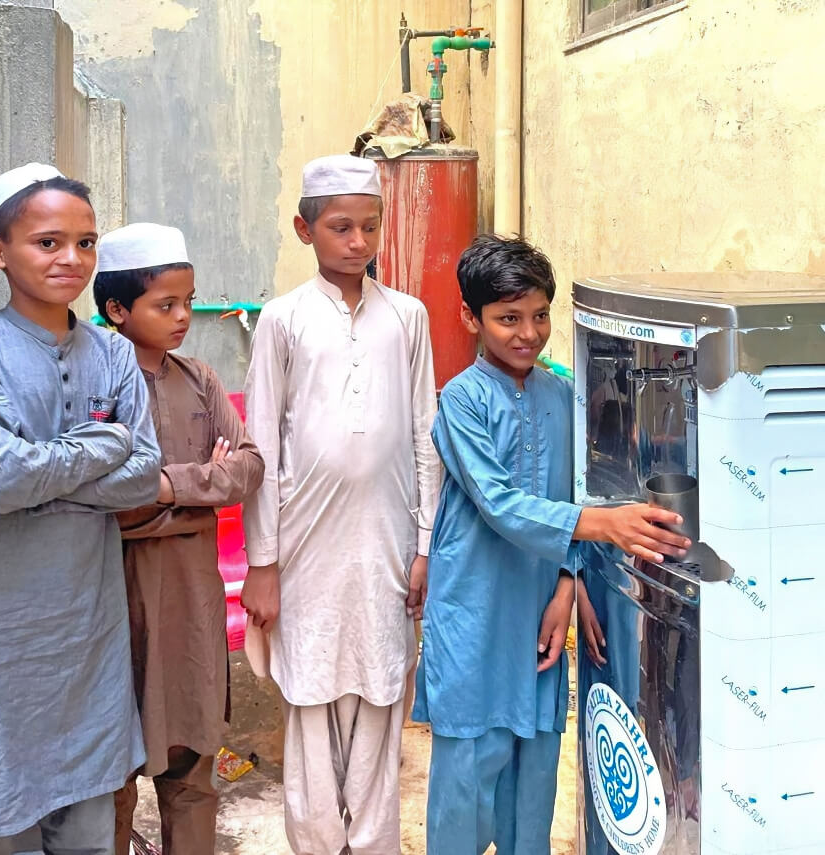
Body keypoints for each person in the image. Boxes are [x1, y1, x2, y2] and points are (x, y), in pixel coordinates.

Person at [412, 234, 691, 855]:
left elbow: (576, 492)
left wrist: (572, 584)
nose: (527, 333)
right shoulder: (459, 403)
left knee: (533, 782)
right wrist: (604, 526)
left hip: (540, 618)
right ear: (471, 318)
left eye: (539, 316)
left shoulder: (562, 397)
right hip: (475, 615)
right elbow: (501, 504)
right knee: (466, 787)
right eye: (508, 319)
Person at [0, 163, 162, 854]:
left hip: (88, 646)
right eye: (49, 242)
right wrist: (107, 439)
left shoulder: (115, 355)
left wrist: (41, 466)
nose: (72, 260)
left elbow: (143, 479)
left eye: (85, 243)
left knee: (89, 832)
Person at [240, 154, 441, 855]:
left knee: (382, 694)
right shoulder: (282, 320)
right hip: (305, 548)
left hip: (387, 543)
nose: (357, 241)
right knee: (312, 697)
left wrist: (424, 545)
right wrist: (262, 562)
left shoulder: (407, 318)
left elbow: (425, 434)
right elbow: (262, 444)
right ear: (305, 229)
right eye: (340, 227)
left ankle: (375, 843)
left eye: (369, 226)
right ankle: (319, 843)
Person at [92, 222, 265, 855]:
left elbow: (247, 467)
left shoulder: (199, 378)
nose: (184, 317)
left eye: (188, 302)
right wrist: (196, 493)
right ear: (116, 309)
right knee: (111, 774)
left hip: (192, 602)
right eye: (166, 305)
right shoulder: (94, 385)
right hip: (117, 601)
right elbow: (107, 502)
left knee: (193, 763)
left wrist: (162, 488)